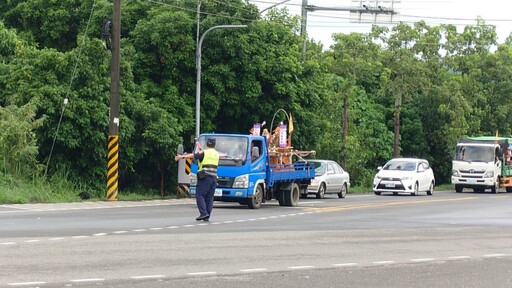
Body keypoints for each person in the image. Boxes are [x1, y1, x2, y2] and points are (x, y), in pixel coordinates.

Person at [175, 138, 219, 221]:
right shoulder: (216, 154)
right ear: (214, 144)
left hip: (205, 176)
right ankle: (207, 215)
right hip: (213, 178)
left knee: (199, 195)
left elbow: (193, 156)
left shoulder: (205, 152)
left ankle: (203, 213)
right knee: (210, 197)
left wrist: (181, 157)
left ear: (207, 144)